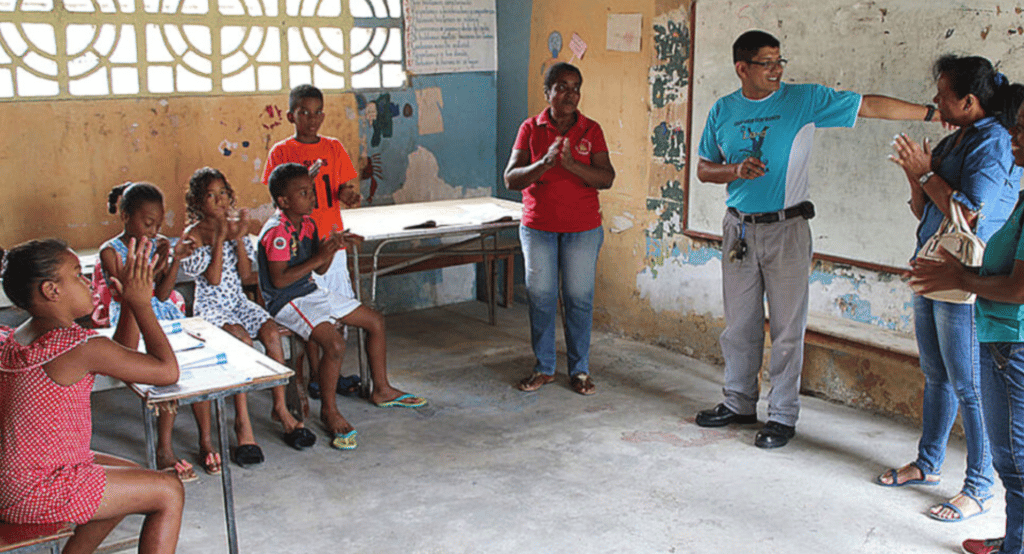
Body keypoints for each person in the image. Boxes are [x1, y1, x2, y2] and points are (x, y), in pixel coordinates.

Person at [693, 30, 943, 448]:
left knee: (788, 328)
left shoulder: (802, 100)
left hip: (787, 228)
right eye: (767, 63)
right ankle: (737, 403)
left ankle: (782, 417)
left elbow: (869, 105)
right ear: (742, 68)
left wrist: (932, 114)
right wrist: (734, 171)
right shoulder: (723, 109)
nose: (777, 70)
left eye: (779, 61)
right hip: (738, 229)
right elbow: (703, 167)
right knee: (740, 325)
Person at [878, 55, 1022, 523]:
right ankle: (927, 463)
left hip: (963, 276)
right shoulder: (957, 137)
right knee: (935, 374)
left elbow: (971, 215)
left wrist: (926, 174)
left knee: (970, 385)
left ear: (969, 101)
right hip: (932, 265)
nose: (936, 103)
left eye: (943, 95)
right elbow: (928, 213)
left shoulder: (996, 143)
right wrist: (913, 174)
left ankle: (979, 487)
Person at [1, 237, 184, 554]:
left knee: (131, 476)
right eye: (78, 275)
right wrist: (142, 304)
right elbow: (167, 371)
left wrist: (127, 301)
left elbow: (120, 356)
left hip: (18, 475)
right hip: (34, 489)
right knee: (169, 490)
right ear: (51, 290)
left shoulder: (19, 336)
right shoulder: (78, 347)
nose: (87, 282)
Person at [911, 91, 1024, 554]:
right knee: (1011, 455)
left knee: (1013, 459)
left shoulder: (987, 149)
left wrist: (959, 275)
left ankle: (1002, 525)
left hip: (1012, 340)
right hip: (1000, 330)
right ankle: (1014, 539)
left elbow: (1019, 288)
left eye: (1022, 131)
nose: (1014, 139)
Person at [257, 163, 426, 450]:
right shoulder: (277, 232)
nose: (311, 198)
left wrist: (333, 246)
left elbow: (320, 271)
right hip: (287, 301)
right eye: (303, 193)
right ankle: (329, 410)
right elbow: (280, 280)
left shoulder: (308, 224)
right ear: (284, 201)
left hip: (309, 291)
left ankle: (382, 389)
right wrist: (318, 257)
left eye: (311, 191)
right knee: (334, 345)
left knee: (375, 320)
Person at [180, 167, 317, 462]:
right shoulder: (194, 235)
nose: (219, 201)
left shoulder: (233, 228)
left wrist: (238, 238)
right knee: (241, 340)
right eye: (211, 196)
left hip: (237, 302)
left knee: (270, 331)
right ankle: (243, 423)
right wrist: (219, 237)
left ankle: (280, 406)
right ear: (197, 202)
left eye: (223, 194)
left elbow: (244, 274)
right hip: (211, 310)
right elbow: (214, 279)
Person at [503, 62, 615, 396]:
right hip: (539, 228)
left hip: (582, 229)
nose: (570, 94)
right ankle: (544, 367)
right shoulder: (530, 128)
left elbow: (606, 178)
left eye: (576, 87)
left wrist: (570, 164)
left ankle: (579, 370)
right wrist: (545, 163)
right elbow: (511, 178)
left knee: (578, 299)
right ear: (548, 92)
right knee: (541, 297)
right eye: (562, 87)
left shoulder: (591, 130)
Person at [262, 84, 362, 401]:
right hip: (298, 246)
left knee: (337, 318)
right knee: (310, 320)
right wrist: (307, 177)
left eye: (317, 112)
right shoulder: (281, 152)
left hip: (330, 241)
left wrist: (349, 195)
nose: (311, 119)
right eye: (303, 113)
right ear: (292, 115)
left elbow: (343, 188)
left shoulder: (333, 148)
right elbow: (278, 192)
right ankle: (312, 379)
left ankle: (330, 376)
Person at [95, 182, 200, 479]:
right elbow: (132, 293)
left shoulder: (157, 245)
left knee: (189, 367)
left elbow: (163, 295)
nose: (154, 231)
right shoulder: (109, 252)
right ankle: (164, 447)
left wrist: (172, 259)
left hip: (161, 314)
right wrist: (155, 265)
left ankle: (206, 441)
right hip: (130, 319)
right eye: (148, 223)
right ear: (125, 215)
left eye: (158, 224)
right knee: (162, 372)